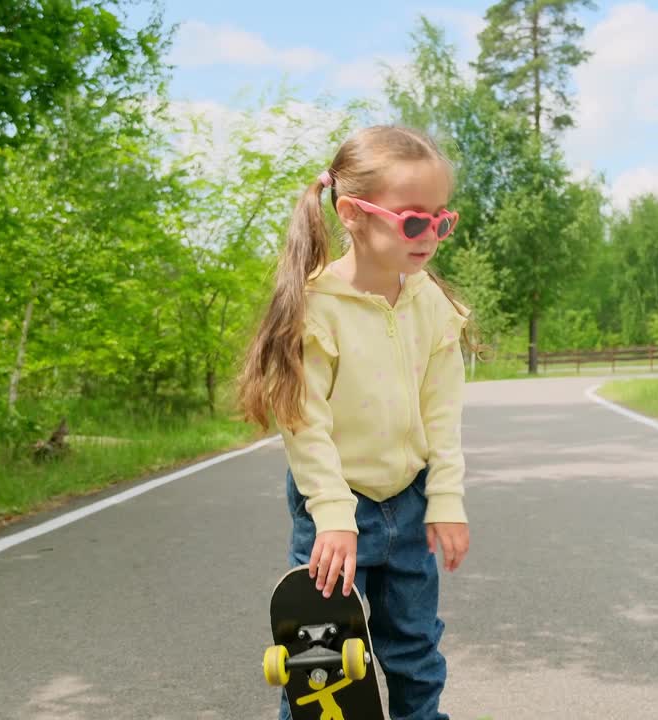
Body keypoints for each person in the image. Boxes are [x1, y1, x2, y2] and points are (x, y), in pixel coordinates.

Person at [238, 125, 472, 720]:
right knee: (323, 662)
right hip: (336, 510)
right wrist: (333, 517)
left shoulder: (431, 303)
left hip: (412, 499)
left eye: (441, 221)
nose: (431, 235)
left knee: (417, 649)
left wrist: (446, 499)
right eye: (413, 220)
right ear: (352, 214)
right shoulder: (318, 306)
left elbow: (442, 414)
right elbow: (303, 421)